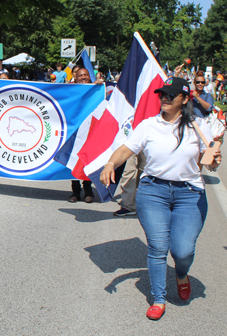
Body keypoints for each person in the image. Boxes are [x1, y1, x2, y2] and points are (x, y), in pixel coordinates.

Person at [100, 77, 221, 320]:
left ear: (184, 99)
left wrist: (214, 159)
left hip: (189, 194)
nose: (165, 98)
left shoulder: (198, 125)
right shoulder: (148, 125)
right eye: (162, 94)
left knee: (183, 251)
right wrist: (111, 163)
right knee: (157, 247)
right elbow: (126, 149)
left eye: (171, 95)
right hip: (153, 192)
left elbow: (208, 162)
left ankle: (181, 273)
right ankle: (158, 297)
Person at [69, 68, 95, 203]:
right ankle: (75, 191)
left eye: (85, 75)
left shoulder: (96, 89)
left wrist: (100, 85)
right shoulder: (72, 89)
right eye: (81, 75)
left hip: (90, 129)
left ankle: (88, 190)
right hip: (74, 129)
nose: (83, 77)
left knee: (87, 159)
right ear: (76, 77)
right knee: (73, 159)